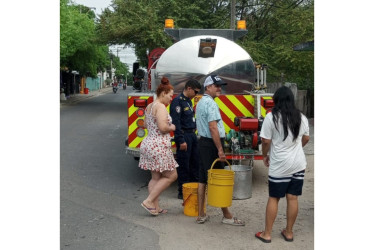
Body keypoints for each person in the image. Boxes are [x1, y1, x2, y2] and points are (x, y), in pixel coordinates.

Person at [255, 86, 310, 243]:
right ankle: (289, 232)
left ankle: (267, 234)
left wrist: (265, 155)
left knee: (274, 197)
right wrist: (297, 148)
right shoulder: (302, 117)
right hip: (298, 163)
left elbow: (265, 141)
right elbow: (306, 138)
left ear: (276, 101)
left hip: (279, 165)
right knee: (292, 198)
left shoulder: (271, 117)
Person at [195, 75, 245, 226]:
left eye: (220, 86)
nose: (219, 88)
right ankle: (227, 215)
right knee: (218, 179)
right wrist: (220, 150)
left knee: (203, 178)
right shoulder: (210, 104)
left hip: (203, 143)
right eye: (216, 86)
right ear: (208, 87)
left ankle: (201, 214)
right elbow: (213, 127)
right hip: (211, 144)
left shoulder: (201, 102)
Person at [138, 77, 179, 216]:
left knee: (155, 178)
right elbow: (163, 128)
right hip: (158, 146)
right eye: (170, 95)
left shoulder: (150, 106)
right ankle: (149, 201)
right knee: (172, 175)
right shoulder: (161, 107)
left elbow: (145, 124)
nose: (171, 99)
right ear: (163, 93)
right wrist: (172, 126)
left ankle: (155, 208)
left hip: (149, 144)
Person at [170, 79, 202, 199]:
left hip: (192, 135)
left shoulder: (188, 101)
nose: (196, 94)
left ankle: (194, 188)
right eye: (195, 91)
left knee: (195, 163)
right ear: (189, 89)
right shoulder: (177, 102)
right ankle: (182, 192)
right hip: (184, 136)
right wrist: (181, 140)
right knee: (184, 165)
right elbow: (176, 123)